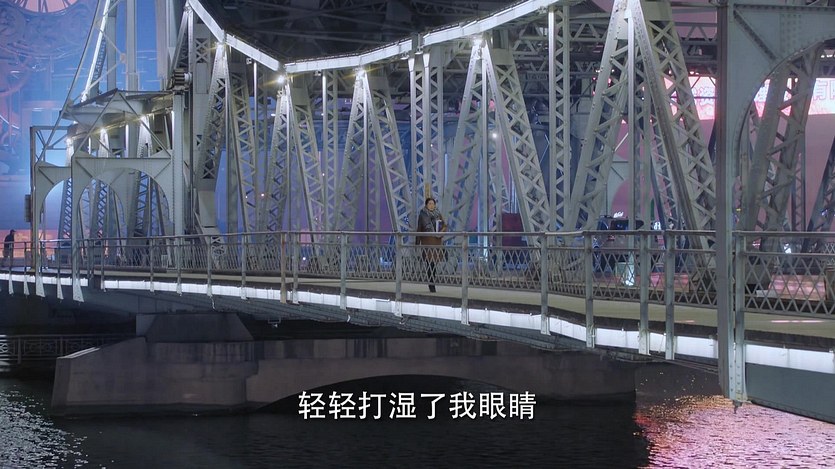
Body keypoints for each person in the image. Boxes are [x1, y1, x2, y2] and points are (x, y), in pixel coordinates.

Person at [417, 197, 446, 292]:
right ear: (426, 205)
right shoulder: (422, 215)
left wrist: (441, 233)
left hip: (436, 242)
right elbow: (419, 229)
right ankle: (431, 284)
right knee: (430, 263)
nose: (431, 205)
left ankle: (432, 283)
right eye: (429, 203)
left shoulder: (438, 214)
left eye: (433, 204)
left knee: (434, 264)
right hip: (427, 242)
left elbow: (444, 226)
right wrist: (417, 242)